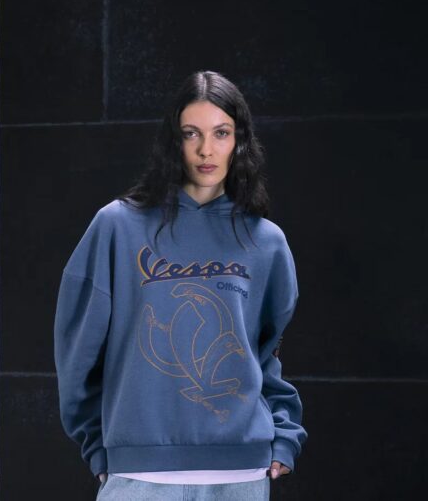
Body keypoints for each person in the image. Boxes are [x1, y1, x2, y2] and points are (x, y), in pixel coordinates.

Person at [54, 71, 307, 500]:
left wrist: (283, 435)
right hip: (139, 475)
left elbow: (265, 357)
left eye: (221, 133)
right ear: (173, 141)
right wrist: (98, 446)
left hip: (241, 473)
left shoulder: (266, 242)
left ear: (239, 141)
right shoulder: (117, 226)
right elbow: (76, 353)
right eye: (192, 133)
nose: (206, 149)